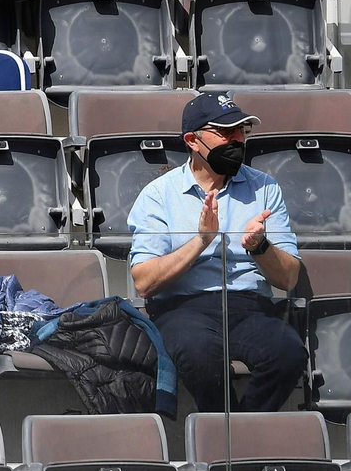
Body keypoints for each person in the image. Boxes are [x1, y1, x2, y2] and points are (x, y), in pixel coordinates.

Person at [129, 92, 304, 413]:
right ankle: (234, 440)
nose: (238, 139)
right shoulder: (158, 194)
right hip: (182, 309)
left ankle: (239, 435)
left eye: (243, 131)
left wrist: (260, 246)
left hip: (250, 309)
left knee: (288, 353)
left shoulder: (264, 188)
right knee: (199, 353)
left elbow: (289, 277)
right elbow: (143, 282)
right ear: (193, 141)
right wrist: (201, 240)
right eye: (227, 132)